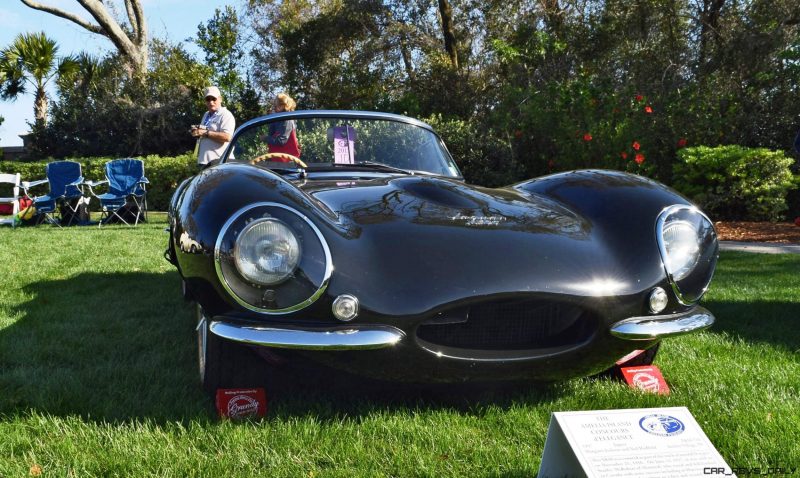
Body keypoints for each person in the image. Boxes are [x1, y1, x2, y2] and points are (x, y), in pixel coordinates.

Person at [191, 86, 235, 168]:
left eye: (214, 99)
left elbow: (227, 137)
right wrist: (197, 132)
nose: (211, 102)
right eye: (208, 99)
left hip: (220, 163)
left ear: (220, 99)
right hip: (204, 162)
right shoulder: (206, 114)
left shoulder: (226, 115)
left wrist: (205, 133)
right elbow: (204, 133)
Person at [263, 93, 301, 158]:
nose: (274, 107)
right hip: (278, 159)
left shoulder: (287, 120)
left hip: (287, 161)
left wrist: (265, 138)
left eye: (275, 105)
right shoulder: (279, 119)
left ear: (282, 106)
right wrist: (272, 118)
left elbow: (281, 141)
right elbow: (271, 134)